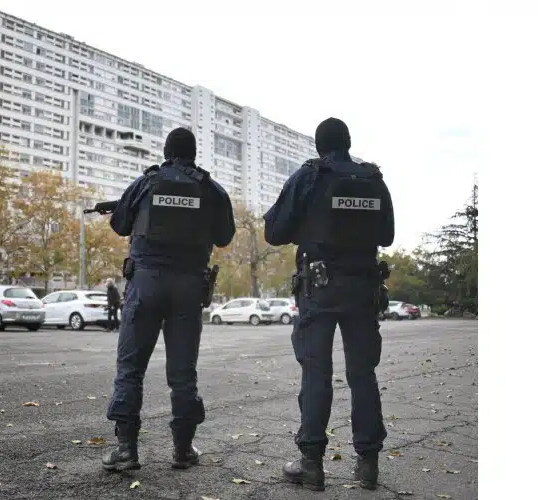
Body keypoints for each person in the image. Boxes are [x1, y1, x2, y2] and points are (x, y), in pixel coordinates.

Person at [263, 118, 395, 491]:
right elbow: (386, 234)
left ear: (319, 146)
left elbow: (275, 232)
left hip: (318, 288)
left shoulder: (310, 176)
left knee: (317, 373)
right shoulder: (373, 178)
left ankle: (311, 466)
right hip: (363, 288)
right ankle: (368, 466)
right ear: (349, 143)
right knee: (363, 374)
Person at [101, 127, 236, 472]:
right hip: (189, 288)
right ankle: (182, 449)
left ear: (165, 152)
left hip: (145, 285)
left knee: (130, 369)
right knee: (183, 373)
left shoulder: (147, 182)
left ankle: (127, 450)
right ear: (193, 154)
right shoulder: (210, 189)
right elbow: (225, 236)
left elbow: (120, 225)